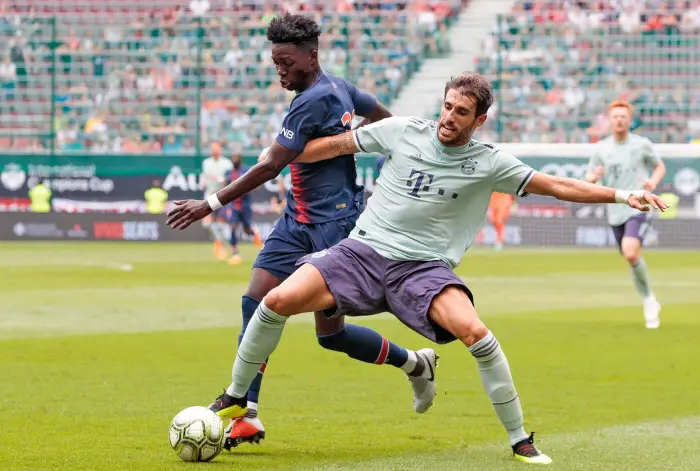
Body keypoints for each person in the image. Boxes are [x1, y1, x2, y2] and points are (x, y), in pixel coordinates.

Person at [172, 73, 667, 464]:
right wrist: (277, 156)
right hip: (361, 252)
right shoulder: (403, 130)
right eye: (447, 107)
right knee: (274, 300)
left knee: (477, 333)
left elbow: (560, 185)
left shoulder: (491, 162)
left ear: (481, 119)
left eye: (462, 113)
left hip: (424, 269)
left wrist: (624, 195)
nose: (449, 118)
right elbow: (332, 148)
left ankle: (520, 441)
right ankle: (237, 398)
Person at [167, 14, 429, 447]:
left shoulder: (316, 99)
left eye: (286, 62)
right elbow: (382, 115)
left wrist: (208, 204)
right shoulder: (337, 88)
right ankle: (247, 412)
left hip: (334, 227)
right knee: (255, 300)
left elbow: (271, 164)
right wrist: (350, 140)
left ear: (312, 55)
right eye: (275, 63)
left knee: (331, 336)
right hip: (297, 221)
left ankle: (415, 364)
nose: (280, 71)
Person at [585, 100, 666, 329]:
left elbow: (659, 166)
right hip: (615, 211)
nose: (619, 120)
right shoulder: (601, 148)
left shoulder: (642, 145)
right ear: (609, 121)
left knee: (630, 253)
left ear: (629, 120)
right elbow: (588, 179)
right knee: (631, 259)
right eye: (615, 116)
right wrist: (593, 178)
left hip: (639, 206)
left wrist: (653, 181)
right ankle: (649, 296)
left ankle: (649, 301)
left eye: (623, 116)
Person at [225, 149, 262, 266]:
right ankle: (235, 253)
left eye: (236, 157)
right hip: (233, 205)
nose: (234, 160)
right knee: (233, 227)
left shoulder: (246, 170)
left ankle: (255, 234)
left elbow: (256, 184)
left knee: (247, 229)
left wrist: (249, 188)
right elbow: (225, 188)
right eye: (233, 157)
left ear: (240, 159)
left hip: (245, 205)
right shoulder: (228, 172)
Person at [201, 141, 233, 260]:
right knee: (206, 223)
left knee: (222, 223)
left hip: (222, 196)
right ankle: (219, 243)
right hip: (209, 195)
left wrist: (221, 180)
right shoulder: (206, 163)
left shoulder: (227, 163)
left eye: (215, 148)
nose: (213, 150)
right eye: (212, 148)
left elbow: (229, 180)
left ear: (221, 149)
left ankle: (224, 247)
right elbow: (206, 178)